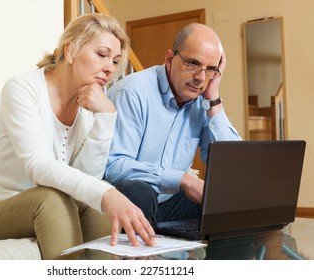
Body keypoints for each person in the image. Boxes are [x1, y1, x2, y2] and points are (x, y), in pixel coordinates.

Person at [0, 13, 156, 260]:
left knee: (93, 207)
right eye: (102, 55)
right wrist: (107, 194)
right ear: (70, 51)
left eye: (115, 61)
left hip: (43, 207)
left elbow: (86, 177)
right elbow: (38, 166)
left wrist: (106, 118)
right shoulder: (22, 88)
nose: (109, 68)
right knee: (53, 199)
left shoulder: (89, 107)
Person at [104, 23, 242, 226]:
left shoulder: (201, 101)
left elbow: (233, 166)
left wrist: (213, 98)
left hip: (167, 202)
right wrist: (183, 180)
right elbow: (114, 166)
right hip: (126, 199)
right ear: (169, 59)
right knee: (140, 191)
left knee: (232, 196)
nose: (200, 78)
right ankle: (144, 256)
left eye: (210, 69)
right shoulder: (132, 92)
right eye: (193, 63)